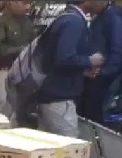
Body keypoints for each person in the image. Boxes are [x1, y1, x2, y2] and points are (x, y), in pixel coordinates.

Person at [34, 1, 107, 137]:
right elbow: (64, 58)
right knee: (69, 146)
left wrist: (82, 72)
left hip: (50, 95)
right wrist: (89, 61)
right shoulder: (74, 22)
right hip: (59, 98)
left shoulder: (66, 17)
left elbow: (55, 59)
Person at [78, 1, 122, 123]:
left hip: (103, 78)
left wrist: (103, 72)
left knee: (95, 116)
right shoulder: (99, 17)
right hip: (93, 74)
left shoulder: (113, 18)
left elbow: (119, 50)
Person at [0, 0, 34, 116]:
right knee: (4, 105)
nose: (27, 7)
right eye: (24, 3)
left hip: (25, 72)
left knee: (22, 109)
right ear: (12, 2)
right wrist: (22, 50)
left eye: (29, 3)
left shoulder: (28, 23)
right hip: (5, 70)